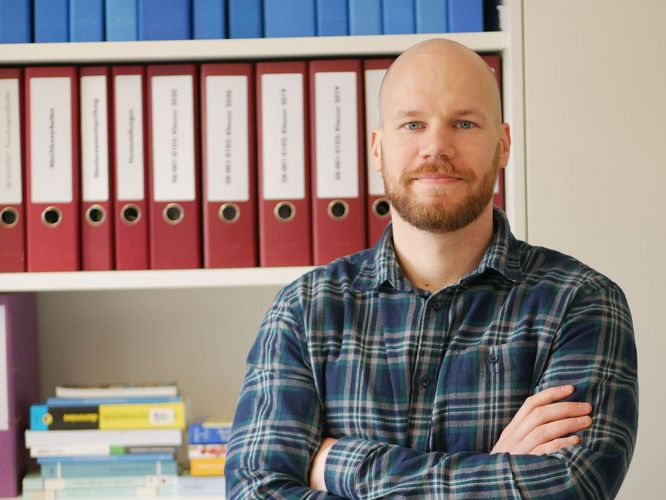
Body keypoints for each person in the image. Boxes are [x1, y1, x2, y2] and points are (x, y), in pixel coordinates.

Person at [225, 39, 638, 499]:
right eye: (413, 124)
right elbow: (255, 491)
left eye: (463, 123)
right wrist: (496, 471)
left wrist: (341, 463)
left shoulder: (580, 303)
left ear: (502, 145)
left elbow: (571, 488)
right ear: (378, 148)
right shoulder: (305, 310)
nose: (436, 146)